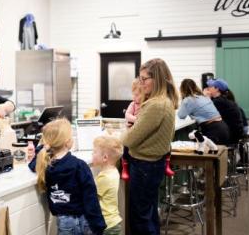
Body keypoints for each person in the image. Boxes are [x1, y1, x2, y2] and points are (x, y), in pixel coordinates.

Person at [121, 58, 179, 235]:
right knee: (149, 213)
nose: (141, 83)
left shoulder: (155, 105)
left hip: (144, 166)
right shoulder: (164, 101)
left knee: (140, 218)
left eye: (144, 79)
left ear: (157, 79)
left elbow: (130, 139)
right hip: (153, 165)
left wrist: (122, 136)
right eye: (140, 78)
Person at [29, 119, 106, 235]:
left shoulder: (45, 165)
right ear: (67, 142)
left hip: (64, 222)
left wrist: (43, 147)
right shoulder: (79, 165)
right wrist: (99, 224)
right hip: (85, 220)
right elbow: (90, 197)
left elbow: (32, 164)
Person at [178, 79, 229, 145]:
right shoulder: (204, 97)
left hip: (213, 130)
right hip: (223, 127)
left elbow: (181, 116)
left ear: (182, 90)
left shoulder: (187, 100)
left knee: (207, 153)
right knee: (219, 153)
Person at [92, 135, 123, 235]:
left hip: (107, 224)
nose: (92, 154)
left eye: (94, 152)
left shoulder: (104, 178)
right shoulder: (114, 171)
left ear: (105, 157)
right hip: (113, 222)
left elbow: (90, 194)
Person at [204, 78, 244, 144]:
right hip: (235, 132)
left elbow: (205, 114)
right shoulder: (224, 99)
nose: (208, 89)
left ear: (217, 89)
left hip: (230, 134)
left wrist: (206, 97)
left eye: (210, 87)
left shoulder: (218, 102)